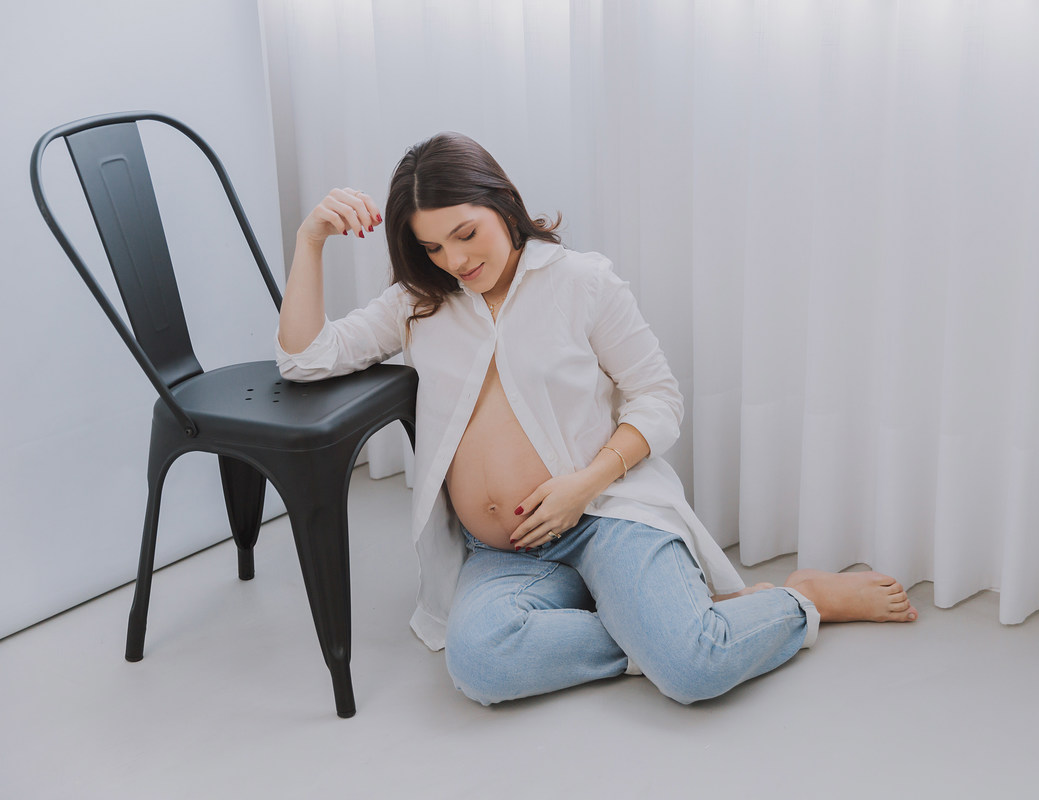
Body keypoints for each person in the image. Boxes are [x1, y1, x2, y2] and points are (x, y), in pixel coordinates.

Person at [276, 132, 917, 706]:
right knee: (480, 663)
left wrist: (581, 486)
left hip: (606, 516)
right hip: (506, 551)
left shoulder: (581, 282)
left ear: (502, 202)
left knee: (695, 669)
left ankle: (800, 599)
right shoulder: (419, 303)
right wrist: (310, 240)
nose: (455, 260)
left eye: (466, 234)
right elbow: (304, 359)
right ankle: (661, 624)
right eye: (433, 247)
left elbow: (658, 398)